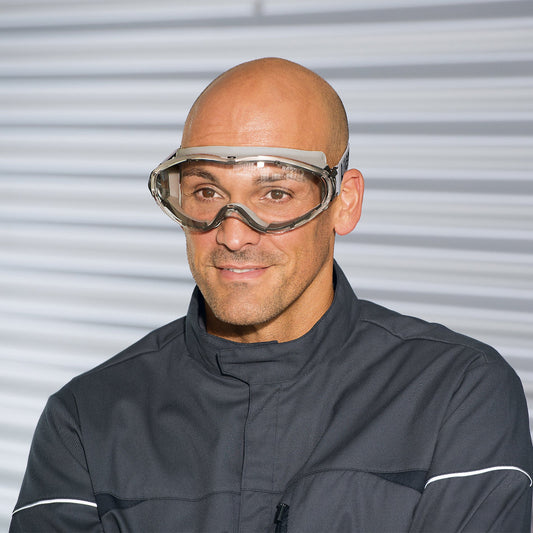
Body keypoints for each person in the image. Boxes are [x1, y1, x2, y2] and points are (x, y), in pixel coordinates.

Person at [10, 57, 532, 532]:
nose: (234, 234)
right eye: (207, 192)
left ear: (344, 203)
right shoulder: (86, 418)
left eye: (276, 193)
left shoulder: (457, 394)